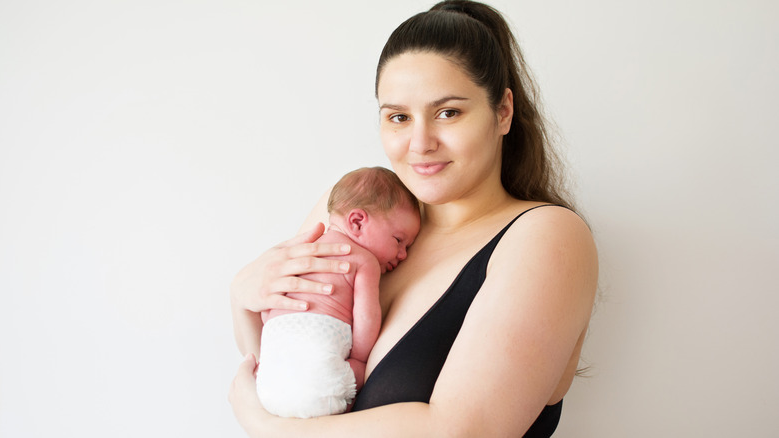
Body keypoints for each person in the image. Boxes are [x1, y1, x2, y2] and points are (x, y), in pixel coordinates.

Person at [229, 1, 598, 436]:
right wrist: (241, 296)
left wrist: (264, 427)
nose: (420, 143)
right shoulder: (351, 210)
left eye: (448, 112)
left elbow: (462, 431)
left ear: (503, 111)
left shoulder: (546, 237)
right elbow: (283, 361)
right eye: (399, 117)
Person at [255, 166, 420, 418]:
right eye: (398, 240)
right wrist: (361, 360)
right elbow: (366, 317)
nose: (403, 254)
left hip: (268, 382)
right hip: (322, 376)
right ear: (356, 222)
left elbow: (271, 300)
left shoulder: (305, 249)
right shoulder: (363, 261)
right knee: (357, 377)